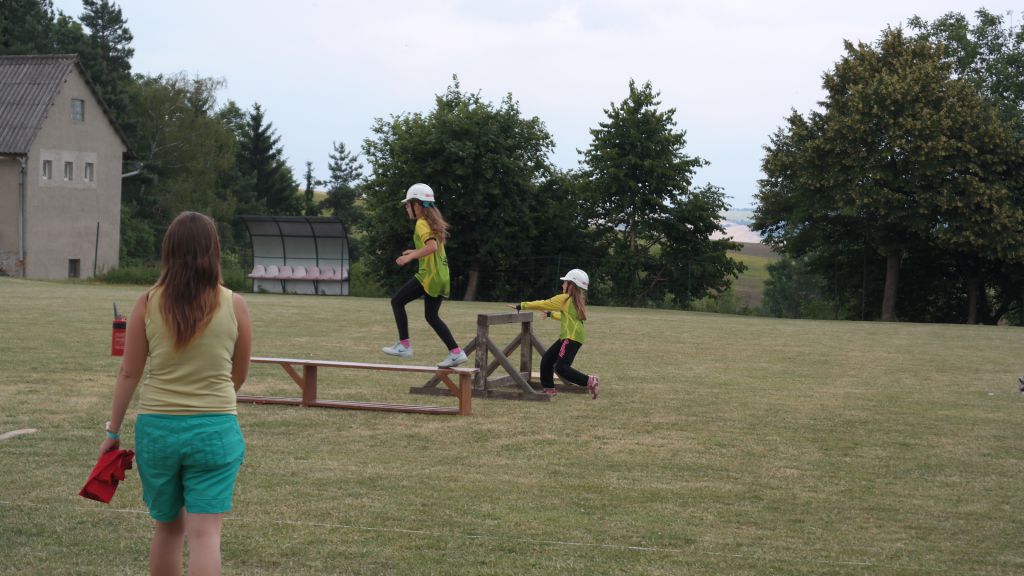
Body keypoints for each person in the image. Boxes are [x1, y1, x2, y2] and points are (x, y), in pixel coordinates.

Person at [99, 211, 253, 576]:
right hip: (215, 430)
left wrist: (113, 430)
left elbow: (129, 372)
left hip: (157, 431)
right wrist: (215, 400)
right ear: (214, 251)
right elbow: (240, 372)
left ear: (168, 250)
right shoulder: (235, 304)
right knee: (205, 534)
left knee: (168, 528)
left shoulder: (147, 302)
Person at [382, 183, 467, 368]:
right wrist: (414, 251)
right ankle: (456, 352)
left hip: (429, 275)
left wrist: (410, 257)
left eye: (408, 204)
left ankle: (404, 345)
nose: (406, 208)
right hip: (442, 276)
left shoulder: (421, 223)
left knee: (396, 301)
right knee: (431, 316)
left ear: (417, 205)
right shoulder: (432, 223)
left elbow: (432, 247)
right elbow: (432, 248)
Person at [510, 269, 599, 399]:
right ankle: (549, 389)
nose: (562, 285)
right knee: (547, 359)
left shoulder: (564, 299)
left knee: (561, 368)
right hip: (571, 336)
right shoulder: (575, 300)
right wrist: (551, 314)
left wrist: (522, 305)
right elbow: (566, 317)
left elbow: (544, 303)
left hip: (571, 337)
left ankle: (590, 381)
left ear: (571, 285)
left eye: (565, 282)